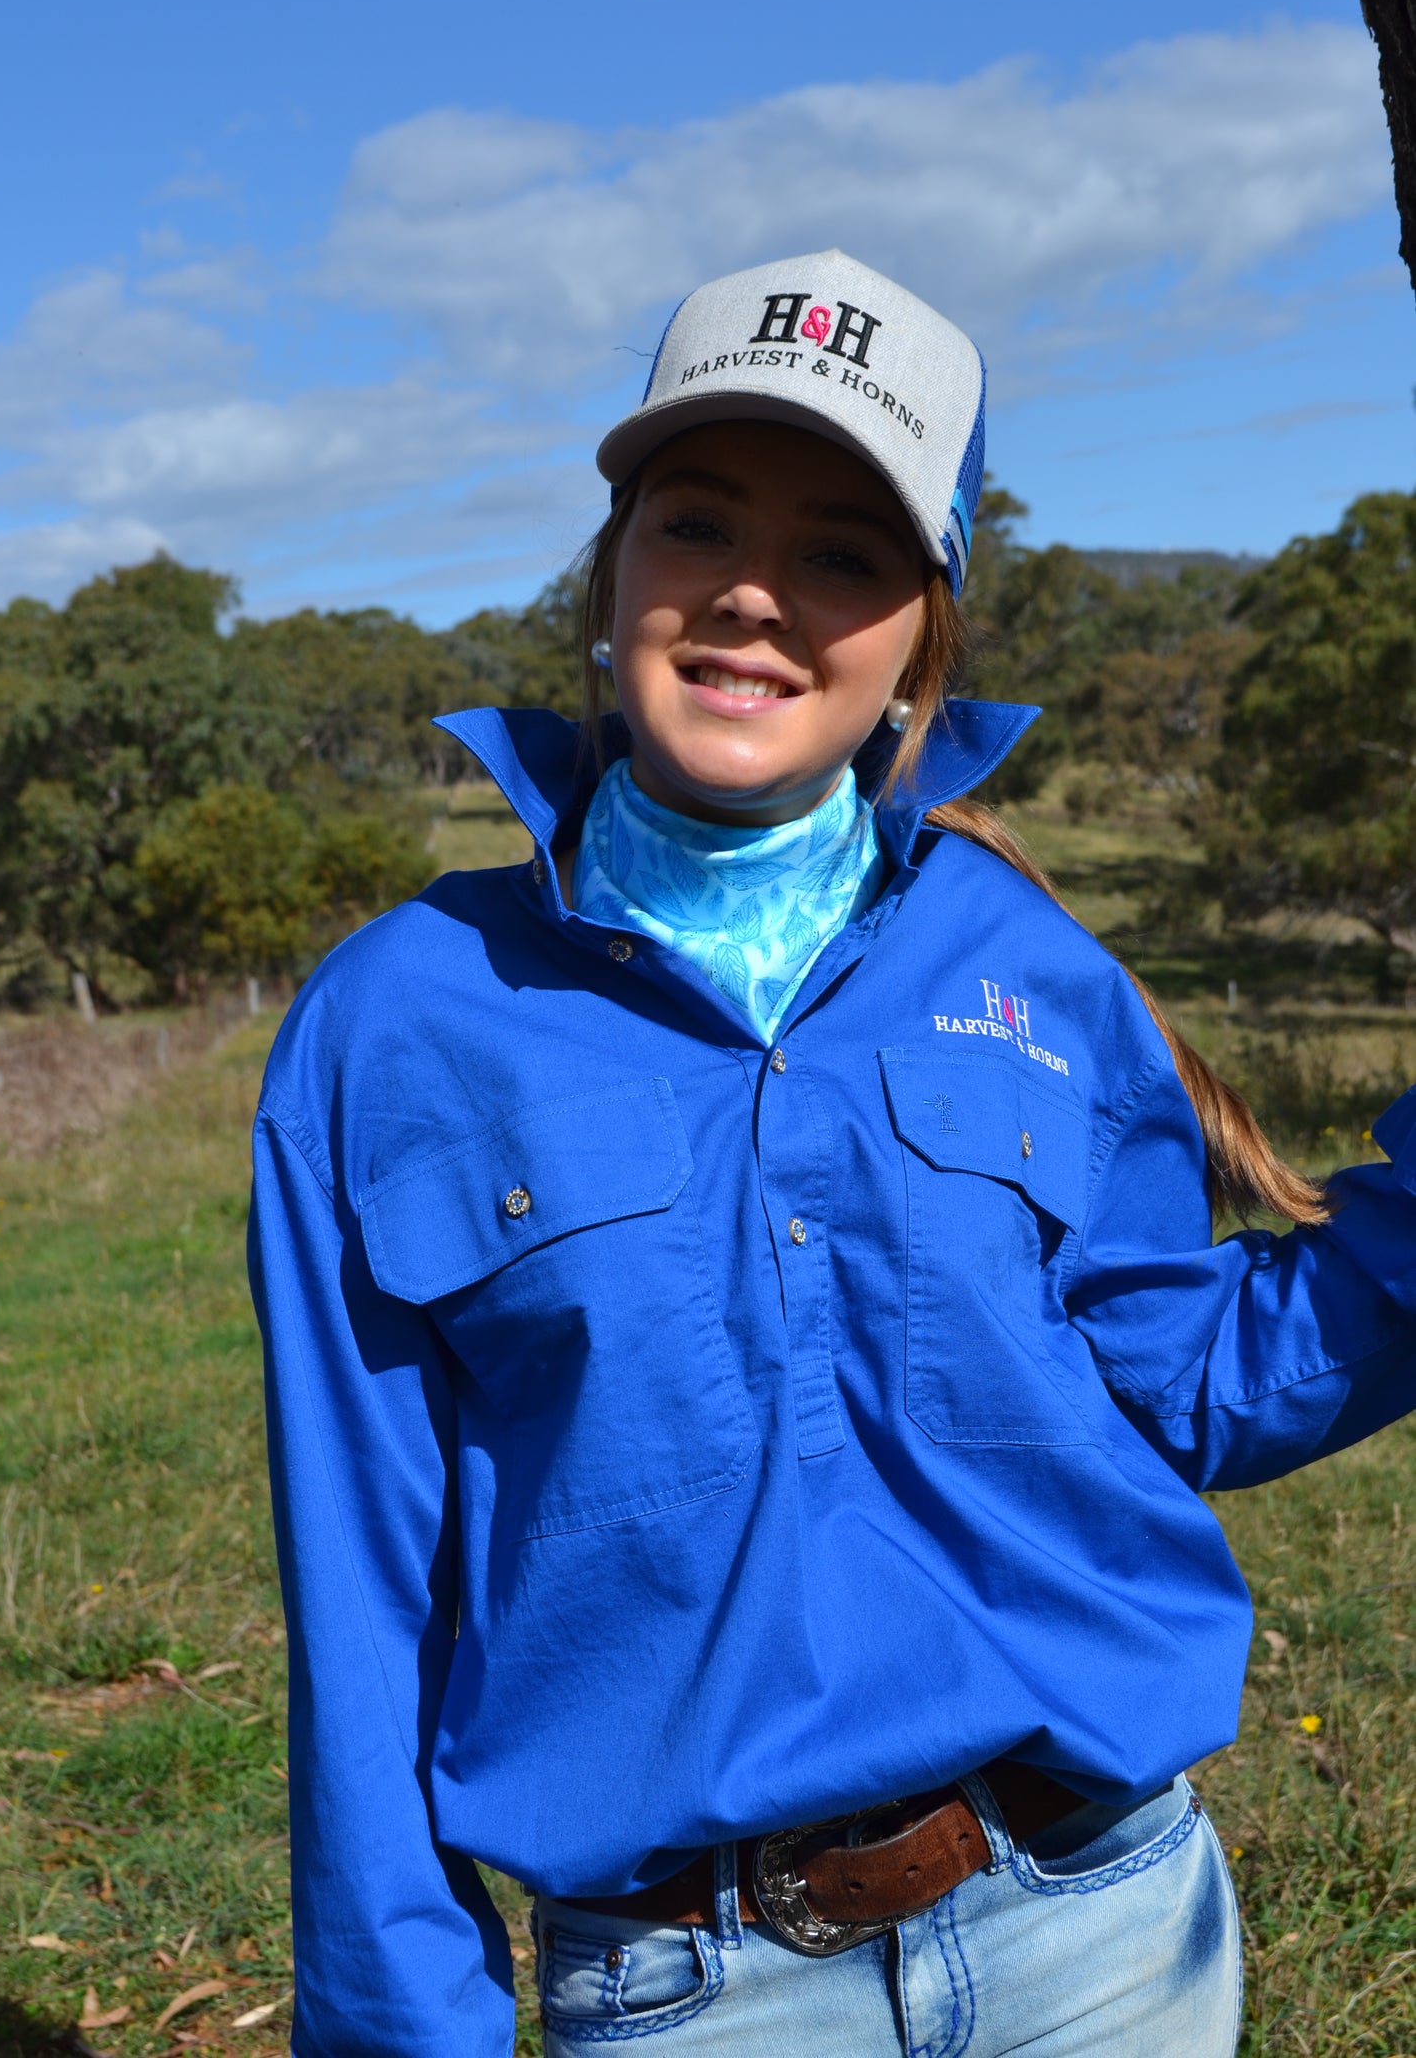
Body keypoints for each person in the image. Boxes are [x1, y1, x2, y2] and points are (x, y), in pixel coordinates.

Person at [248, 249, 1416, 2058]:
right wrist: (399, 2018)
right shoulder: (402, 1016)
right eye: (695, 522)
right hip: (682, 1990)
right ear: (609, 575)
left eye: (845, 554)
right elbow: (362, 1569)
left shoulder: (1026, 967)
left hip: (1100, 1930)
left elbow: (1171, 1378)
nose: (753, 599)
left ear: (916, 643)